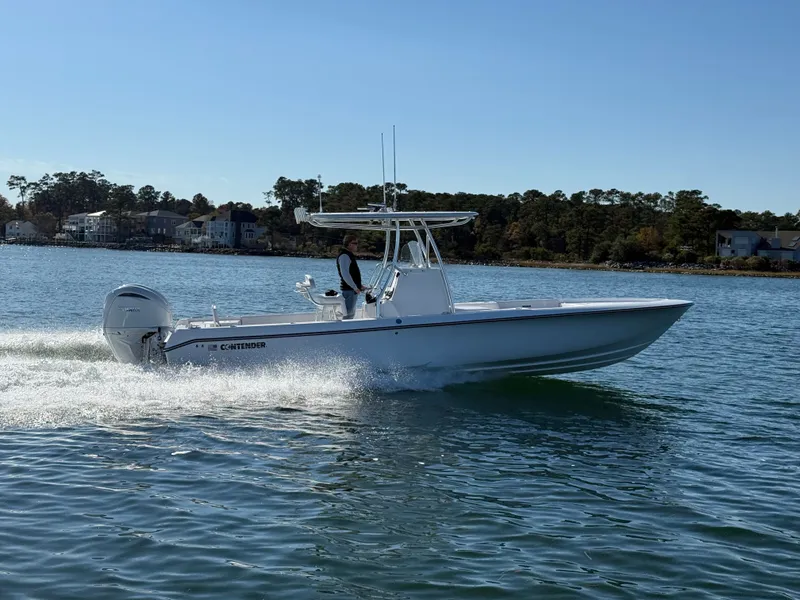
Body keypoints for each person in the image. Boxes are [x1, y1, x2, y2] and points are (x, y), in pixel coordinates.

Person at [337, 234, 367, 319]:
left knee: (350, 312)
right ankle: (344, 331)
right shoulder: (344, 256)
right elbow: (345, 274)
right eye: (355, 243)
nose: (357, 245)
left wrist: (359, 286)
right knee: (348, 314)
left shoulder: (348, 255)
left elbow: (352, 273)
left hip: (351, 289)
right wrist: (354, 287)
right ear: (350, 244)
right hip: (349, 290)